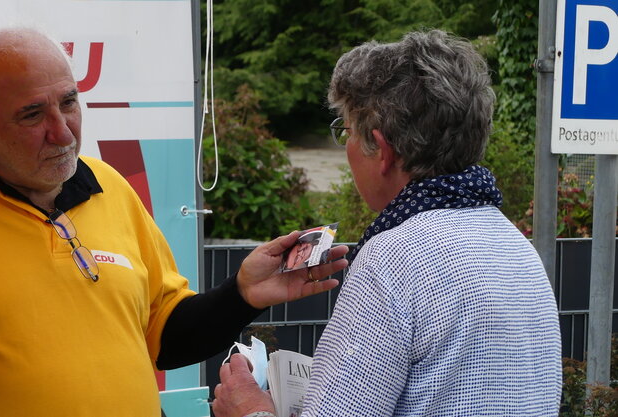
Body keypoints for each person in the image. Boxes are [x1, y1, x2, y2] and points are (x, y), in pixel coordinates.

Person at [0, 27, 349, 416]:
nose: (63, 132)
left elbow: (163, 337)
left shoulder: (109, 185)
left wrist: (240, 295)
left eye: (70, 102)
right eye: (32, 115)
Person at [212, 30, 562, 417]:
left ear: (381, 149)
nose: (344, 145)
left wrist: (248, 409)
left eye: (345, 129)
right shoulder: (514, 244)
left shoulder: (395, 258)